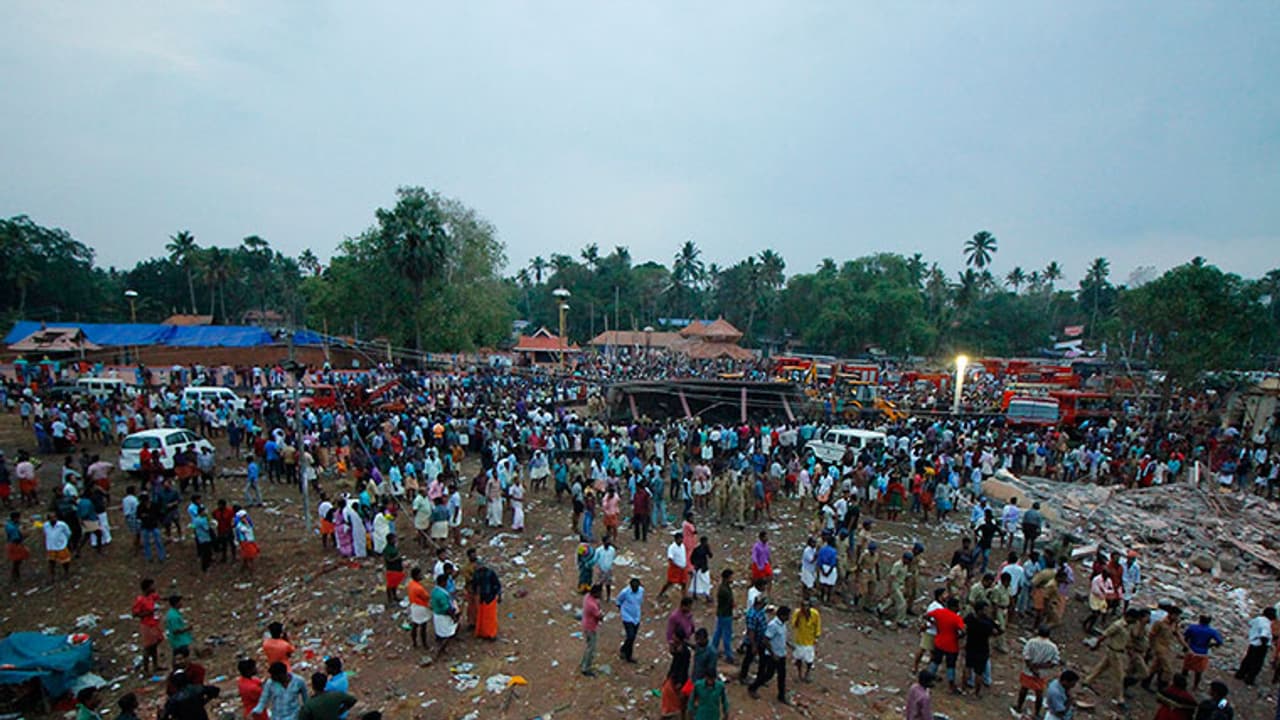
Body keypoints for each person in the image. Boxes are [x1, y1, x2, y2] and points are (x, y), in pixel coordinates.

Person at [748, 605, 791, 705]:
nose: (789, 617)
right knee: (768, 675)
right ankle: (753, 687)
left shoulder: (782, 624)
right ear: (782, 615)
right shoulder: (773, 625)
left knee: (782, 676)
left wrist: (788, 644)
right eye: (787, 615)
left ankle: (781, 696)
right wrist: (772, 654)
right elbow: (766, 640)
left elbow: (781, 638)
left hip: (781, 654)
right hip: (773, 655)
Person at [1015, 625, 1060, 717]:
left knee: (1024, 689)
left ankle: (1019, 707)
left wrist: (1033, 668)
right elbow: (1054, 662)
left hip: (1028, 671)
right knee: (1039, 693)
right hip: (1042, 674)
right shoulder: (1053, 647)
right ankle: (1037, 713)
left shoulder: (1031, 642)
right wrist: (1040, 666)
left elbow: (1026, 657)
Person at [925, 597, 965, 694]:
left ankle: (928, 679)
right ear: (954, 607)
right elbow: (963, 630)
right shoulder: (956, 618)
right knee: (950, 665)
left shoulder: (939, 612)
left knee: (935, 661)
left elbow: (926, 616)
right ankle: (951, 686)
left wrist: (934, 623)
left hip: (939, 641)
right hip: (952, 645)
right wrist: (959, 636)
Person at [1234, 606, 1275, 686]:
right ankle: (1250, 679)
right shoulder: (1266, 624)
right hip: (1261, 645)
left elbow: (1250, 623)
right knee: (1257, 663)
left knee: (1248, 659)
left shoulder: (1258, 619)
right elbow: (1264, 635)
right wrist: (1265, 645)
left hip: (1253, 643)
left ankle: (1240, 674)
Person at [1182, 615, 1224, 691]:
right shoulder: (1211, 631)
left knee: (1186, 668)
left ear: (1200, 619)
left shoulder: (1192, 627)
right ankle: (1195, 686)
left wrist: (1185, 648)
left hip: (1191, 650)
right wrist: (1211, 645)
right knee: (1198, 671)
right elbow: (1220, 642)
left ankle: (1181, 683)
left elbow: (1186, 638)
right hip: (1202, 652)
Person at [132, 579, 165, 675]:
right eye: (152, 586)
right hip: (147, 625)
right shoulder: (140, 600)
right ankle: (146, 669)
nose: (154, 587)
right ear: (147, 588)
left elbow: (160, 598)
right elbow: (135, 614)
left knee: (154, 645)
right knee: (148, 647)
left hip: (154, 623)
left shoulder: (151, 596)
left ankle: (155, 665)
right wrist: (148, 613)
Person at [660, 627, 691, 719]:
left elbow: (683, 667)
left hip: (679, 677)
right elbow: (674, 656)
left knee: (678, 696)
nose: (673, 637)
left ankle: (673, 712)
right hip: (674, 675)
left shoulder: (685, 652)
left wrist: (680, 681)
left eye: (675, 636)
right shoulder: (678, 647)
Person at [738, 593, 768, 685]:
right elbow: (751, 631)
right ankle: (743, 677)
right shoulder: (752, 615)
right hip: (754, 641)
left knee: (763, 660)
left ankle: (760, 678)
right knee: (748, 658)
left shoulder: (761, 611)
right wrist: (754, 645)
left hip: (761, 639)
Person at [791, 597, 821, 683]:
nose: (805, 608)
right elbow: (794, 625)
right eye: (803, 606)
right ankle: (799, 674)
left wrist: (816, 637)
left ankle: (807, 673)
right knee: (798, 658)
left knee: (809, 660)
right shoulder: (797, 613)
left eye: (806, 606)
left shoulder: (815, 614)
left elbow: (818, 626)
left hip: (810, 640)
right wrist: (799, 616)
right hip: (799, 640)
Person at [617, 577, 644, 663]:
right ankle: (628, 655)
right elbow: (618, 601)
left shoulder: (641, 591)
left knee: (632, 637)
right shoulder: (625, 592)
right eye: (633, 587)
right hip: (627, 616)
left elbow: (640, 602)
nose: (635, 589)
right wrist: (623, 611)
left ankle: (624, 649)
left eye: (636, 587)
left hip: (636, 616)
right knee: (630, 636)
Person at [430, 571, 458, 656]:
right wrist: (453, 616)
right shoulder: (442, 594)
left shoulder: (435, 590)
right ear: (443, 582)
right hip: (443, 616)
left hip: (437, 614)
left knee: (441, 632)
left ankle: (440, 646)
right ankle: (441, 650)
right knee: (448, 633)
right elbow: (447, 608)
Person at [473, 561, 502, 640]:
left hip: (490, 597)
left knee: (489, 617)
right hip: (483, 598)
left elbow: (497, 585)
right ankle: (484, 633)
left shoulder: (489, 573)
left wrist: (499, 595)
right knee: (483, 617)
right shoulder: (477, 574)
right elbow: (475, 586)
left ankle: (490, 633)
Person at [711, 569, 735, 663]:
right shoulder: (725, 590)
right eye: (731, 577)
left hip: (721, 614)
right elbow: (731, 603)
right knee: (726, 635)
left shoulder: (723, 588)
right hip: (726, 614)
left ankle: (713, 649)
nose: (732, 579)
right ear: (727, 578)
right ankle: (729, 655)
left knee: (718, 632)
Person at [581, 583, 604, 677]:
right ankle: (586, 668)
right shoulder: (592, 605)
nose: (601, 594)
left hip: (586, 624)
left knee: (589, 646)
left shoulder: (587, 597)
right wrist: (601, 614)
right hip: (591, 628)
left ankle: (584, 663)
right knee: (591, 648)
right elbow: (599, 616)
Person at [165, 594, 194, 664]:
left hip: (179, 641)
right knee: (181, 658)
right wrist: (187, 628)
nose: (181, 603)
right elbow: (175, 631)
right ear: (176, 603)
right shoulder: (173, 616)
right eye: (180, 601)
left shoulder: (173, 612)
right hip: (179, 641)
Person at [407, 567, 431, 650]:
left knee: (415, 625)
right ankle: (424, 644)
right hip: (421, 607)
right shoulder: (419, 588)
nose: (421, 576)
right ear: (416, 575)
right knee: (423, 627)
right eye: (420, 574)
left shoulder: (411, 584)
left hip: (414, 606)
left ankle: (414, 642)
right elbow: (426, 597)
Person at [658, 532, 688, 598]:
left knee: (684, 583)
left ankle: (684, 596)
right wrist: (676, 566)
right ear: (676, 539)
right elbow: (670, 559)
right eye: (680, 539)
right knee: (670, 582)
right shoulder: (672, 547)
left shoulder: (682, 546)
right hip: (675, 568)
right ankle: (661, 594)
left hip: (683, 568)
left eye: (682, 539)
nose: (681, 540)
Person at [43, 514, 72, 578]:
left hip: (61, 545)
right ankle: (52, 575)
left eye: (54, 517)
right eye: (51, 518)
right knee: (51, 561)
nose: (53, 519)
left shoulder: (62, 525)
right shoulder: (46, 525)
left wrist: (65, 541)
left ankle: (66, 572)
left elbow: (68, 533)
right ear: (48, 519)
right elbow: (45, 534)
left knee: (65, 561)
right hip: (51, 546)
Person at [6, 511, 28, 582]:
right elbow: (17, 537)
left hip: (14, 543)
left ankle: (16, 576)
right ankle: (15, 576)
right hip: (15, 544)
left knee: (17, 561)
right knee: (17, 561)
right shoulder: (12, 527)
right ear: (15, 518)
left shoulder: (11, 525)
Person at [383, 534, 405, 604]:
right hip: (392, 569)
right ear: (389, 540)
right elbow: (388, 560)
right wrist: (397, 557)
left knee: (395, 584)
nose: (395, 540)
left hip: (397, 568)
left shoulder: (394, 547)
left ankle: (395, 596)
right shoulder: (387, 549)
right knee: (390, 585)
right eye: (394, 539)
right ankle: (390, 600)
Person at [596, 536, 617, 603]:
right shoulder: (599, 550)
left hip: (609, 569)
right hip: (601, 569)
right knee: (600, 584)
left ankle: (608, 597)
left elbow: (613, 558)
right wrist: (598, 568)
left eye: (609, 541)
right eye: (607, 541)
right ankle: (600, 596)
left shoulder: (612, 550)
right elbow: (596, 559)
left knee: (608, 584)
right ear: (603, 542)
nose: (608, 542)